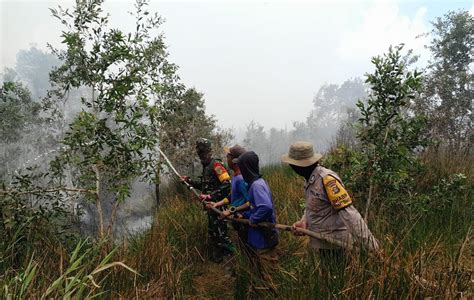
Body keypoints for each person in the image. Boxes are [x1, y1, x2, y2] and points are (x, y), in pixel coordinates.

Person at [282, 142, 379, 283]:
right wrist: (304, 222)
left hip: (336, 246)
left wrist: (370, 246)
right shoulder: (309, 180)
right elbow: (313, 207)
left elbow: (349, 214)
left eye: (293, 165)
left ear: (299, 166)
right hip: (322, 244)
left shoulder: (327, 180)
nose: (291, 168)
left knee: (339, 284)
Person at [181, 138, 235, 263]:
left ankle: (232, 263)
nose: (201, 154)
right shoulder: (206, 167)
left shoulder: (216, 165)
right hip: (211, 209)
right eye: (199, 152)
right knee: (214, 235)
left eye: (203, 152)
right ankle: (219, 261)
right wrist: (190, 182)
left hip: (219, 208)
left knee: (223, 236)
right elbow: (205, 186)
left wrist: (210, 196)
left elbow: (227, 184)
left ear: (209, 151)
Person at [234, 151, 279, 279]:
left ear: (246, 168)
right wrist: (246, 215)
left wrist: (253, 219)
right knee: (264, 271)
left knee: (270, 273)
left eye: (242, 167)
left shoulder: (256, 186)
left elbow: (265, 207)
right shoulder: (257, 183)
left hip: (264, 237)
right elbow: (256, 207)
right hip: (260, 237)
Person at [213, 145, 251, 251]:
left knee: (248, 248)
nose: (226, 158)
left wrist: (234, 211)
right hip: (237, 219)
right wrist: (217, 204)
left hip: (244, 220)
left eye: (228, 156)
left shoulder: (240, 179)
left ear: (234, 160)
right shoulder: (235, 177)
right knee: (242, 246)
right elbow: (232, 197)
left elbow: (250, 201)